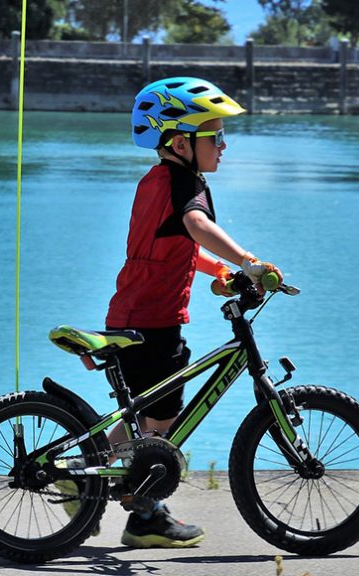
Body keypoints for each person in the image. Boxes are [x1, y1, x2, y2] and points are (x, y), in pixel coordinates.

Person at [105, 77, 283, 549]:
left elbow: (177, 244)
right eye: (216, 135)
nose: (224, 145)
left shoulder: (155, 180)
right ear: (182, 142)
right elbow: (195, 225)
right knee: (161, 423)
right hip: (155, 321)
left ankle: (84, 476)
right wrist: (249, 263)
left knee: (143, 414)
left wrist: (217, 271)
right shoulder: (186, 184)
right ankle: (145, 516)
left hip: (131, 312)